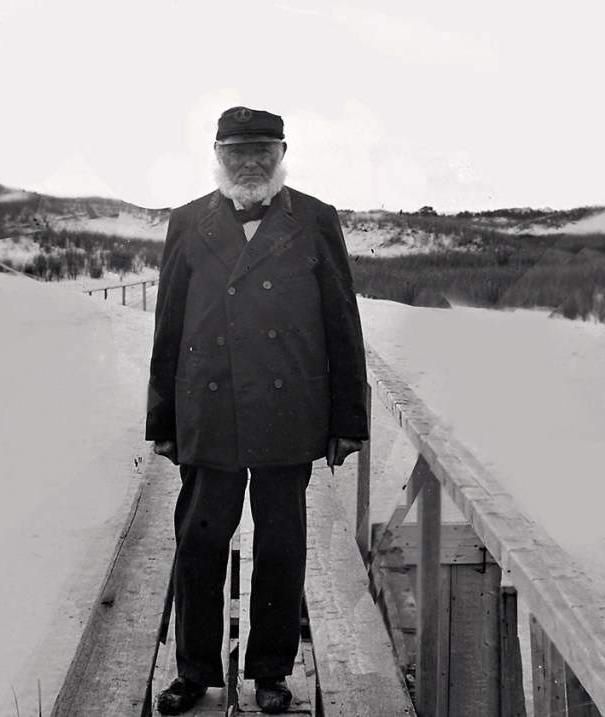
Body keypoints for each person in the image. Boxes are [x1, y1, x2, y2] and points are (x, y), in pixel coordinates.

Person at [145, 106, 369, 715]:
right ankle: (194, 672)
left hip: (287, 410)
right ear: (218, 155)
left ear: (282, 153)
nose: (250, 162)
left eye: (262, 151)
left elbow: (342, 323)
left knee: (280, 546)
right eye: (237, 151)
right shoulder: (188, 221)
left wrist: (348, 421)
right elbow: (169, 326)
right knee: (199, 544)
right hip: (209, 408)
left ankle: (270, 672)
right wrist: (162, 420)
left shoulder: (315, 219)